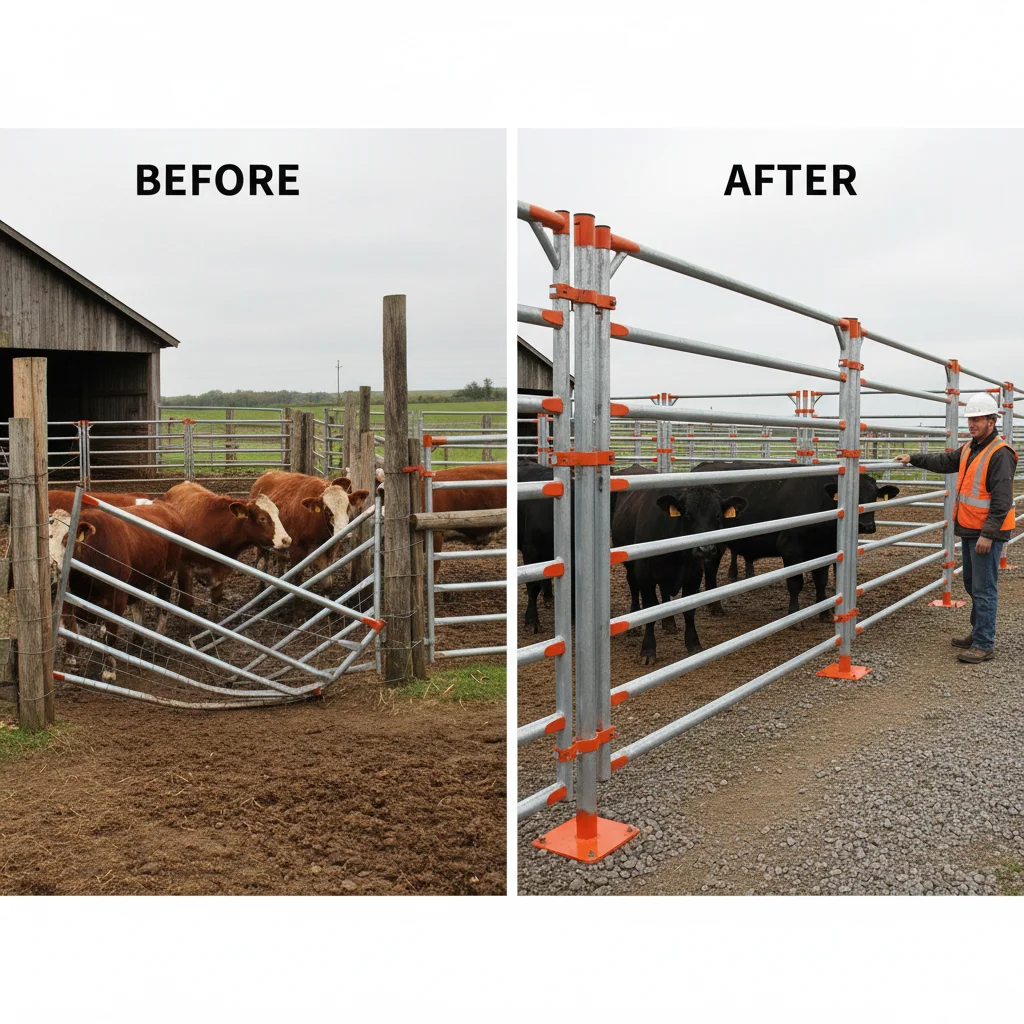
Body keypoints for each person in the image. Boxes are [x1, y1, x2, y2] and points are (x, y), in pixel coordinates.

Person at [894, 392, 1017, 662]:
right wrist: (914, 458)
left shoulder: (999, 454)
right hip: (971, 528)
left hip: (986, 532)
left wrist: (988, 534)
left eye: (978, 419)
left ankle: (984, 643)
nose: (972, 424)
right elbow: (946, 461)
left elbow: (1002, 499)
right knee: (973, 584)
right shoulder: (971, 448)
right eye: (970, 419)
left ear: (991, 420)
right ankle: (978, 632)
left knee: (984, 588)